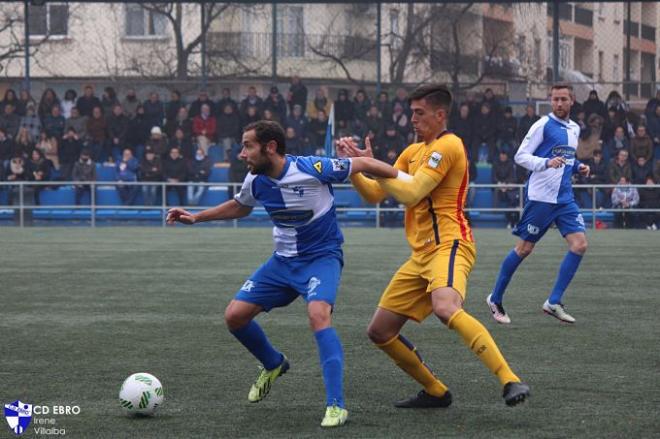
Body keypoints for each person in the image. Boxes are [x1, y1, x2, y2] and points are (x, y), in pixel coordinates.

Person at [167, 120, 399, 427]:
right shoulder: (256, 179)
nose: (241, 153)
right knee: (234, 316)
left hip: (321, 258)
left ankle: (336, 405)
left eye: (247, 145)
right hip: (281, 264)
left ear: (270, 147)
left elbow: (365, 163)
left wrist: (413, 181)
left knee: (318, 315)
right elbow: (241, 206)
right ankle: (273, 363)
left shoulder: (312, 167)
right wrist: (196, 218)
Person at [337, 84, 529, 408]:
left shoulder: (449, 145)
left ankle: (510, 379)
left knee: (445, 308)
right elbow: (374, 194)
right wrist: (357, 168)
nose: (412, 119)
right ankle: (436, 391)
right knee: (380, 331)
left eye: (419, 113)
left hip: (450, 245)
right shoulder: (412, 152)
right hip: (421, 254)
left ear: (440, 115)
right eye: (411, 112)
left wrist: (375, 167)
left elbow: (412, 193)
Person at [486, 84, 590, 324]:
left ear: (572, 100)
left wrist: (578, 166)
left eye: (564, 99)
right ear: (550, 101)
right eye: (555, 99)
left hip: (564, 199)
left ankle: (553, 302)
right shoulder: (542, 125)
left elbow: (568, 158)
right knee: (524, 249)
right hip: (541, 198)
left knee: (579, 245)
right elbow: (520, 156)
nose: (559, 103)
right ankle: (495, 298)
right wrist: (545, 163)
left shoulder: (574, 128)